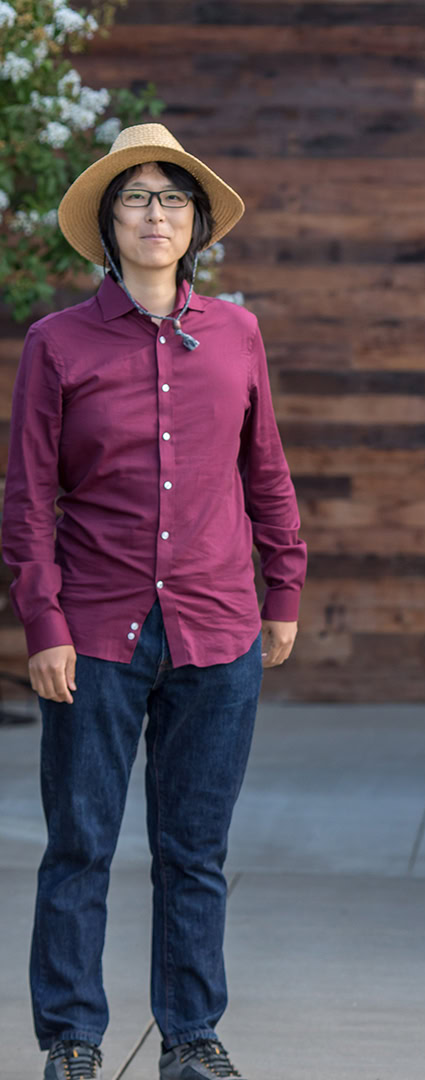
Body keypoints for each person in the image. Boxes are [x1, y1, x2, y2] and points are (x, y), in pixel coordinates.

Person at [3, 124, 307, 1080]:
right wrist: (43, 622)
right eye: (134, 197)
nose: (154, 213)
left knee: (195, 851)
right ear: (106, 222)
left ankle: (190, 1037)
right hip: (93, 632)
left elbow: (265, 469)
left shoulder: (238, 336)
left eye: (171, 197)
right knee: (81, 845)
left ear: (197, 222)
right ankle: (74, 1040)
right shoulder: (56, 345)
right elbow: (28, 498)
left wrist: (284, 584)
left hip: (217, 629)